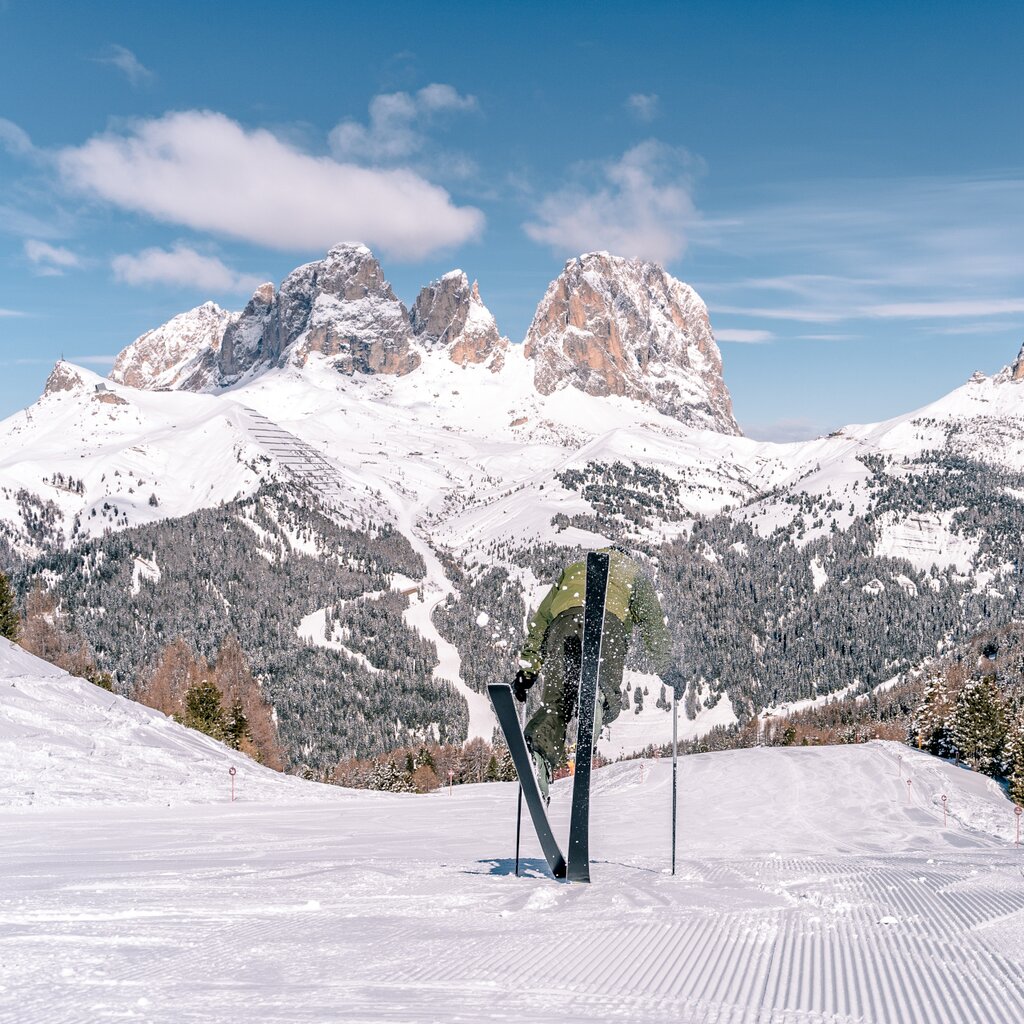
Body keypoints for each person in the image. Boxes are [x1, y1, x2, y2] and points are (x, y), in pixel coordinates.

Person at [513, 547, 678, 799]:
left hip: (563, 624)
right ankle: (595, 701)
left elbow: (542, 619)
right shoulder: (632, 572)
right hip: (606, 627)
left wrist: (529, 668)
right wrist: (666, 667)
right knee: (605, 696)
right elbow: (652, 624)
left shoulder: (575, 568)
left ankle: (540, 754)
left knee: (558, 703)